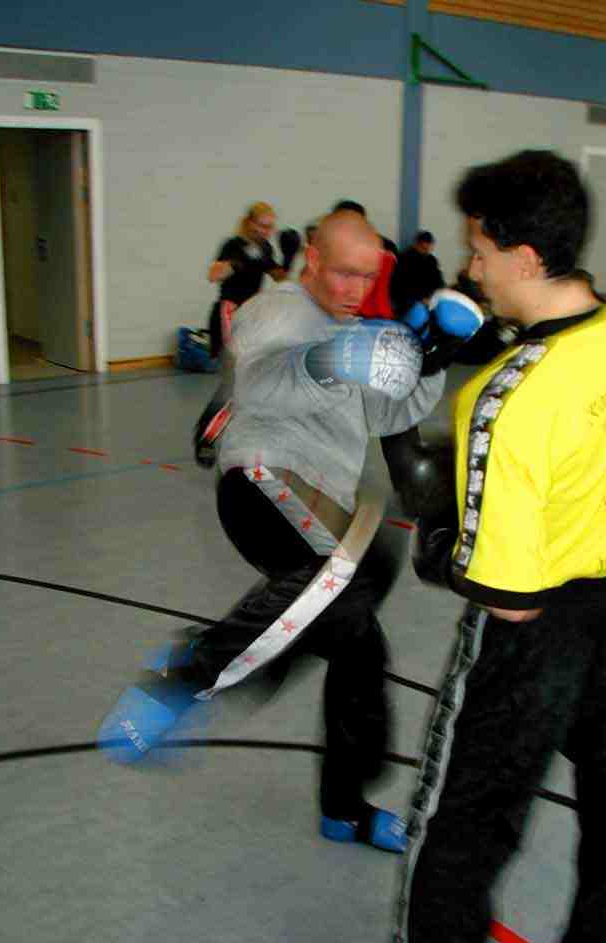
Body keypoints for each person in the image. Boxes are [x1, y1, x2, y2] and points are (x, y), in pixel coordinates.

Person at [338, 150, 606, 943]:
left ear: (525, 256)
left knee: (465, 827)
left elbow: (507, 597)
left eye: (481, 250)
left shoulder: (506, 398)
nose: (470, 266)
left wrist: (440, 535)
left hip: (540, 636)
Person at [187, 211, 447, 850]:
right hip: (263, 482)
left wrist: (430, 358)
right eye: (344, 273)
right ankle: (195, 669)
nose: (355, 289)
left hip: (320, 507)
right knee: (355, 569)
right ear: (312, 257)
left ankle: (344, 808)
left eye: (367, 276)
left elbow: (391, 413)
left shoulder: (354, 326)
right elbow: (258, 384)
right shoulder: (279, 310)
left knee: (361, 647)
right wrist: (331, 360)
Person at [206, 202, 287, 361]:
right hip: (231, 311)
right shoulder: (233, 245)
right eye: (262, 226)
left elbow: (279, 278)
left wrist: (288, 258)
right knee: (232, 362)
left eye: (270, 227)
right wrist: (238, 260)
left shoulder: (265, 248)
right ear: (249, 223)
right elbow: (213, 275)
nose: (266, 231)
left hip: (252, 311)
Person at [390, 230, 445, 316]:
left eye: (428, 248)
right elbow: (402, 285)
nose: (426, 251)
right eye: (423, 248)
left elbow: (438, 281)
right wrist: (420, 299)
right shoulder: (405, 259)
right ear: (417, 245)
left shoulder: (431, 260)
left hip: (427, 301)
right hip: (408, 303)